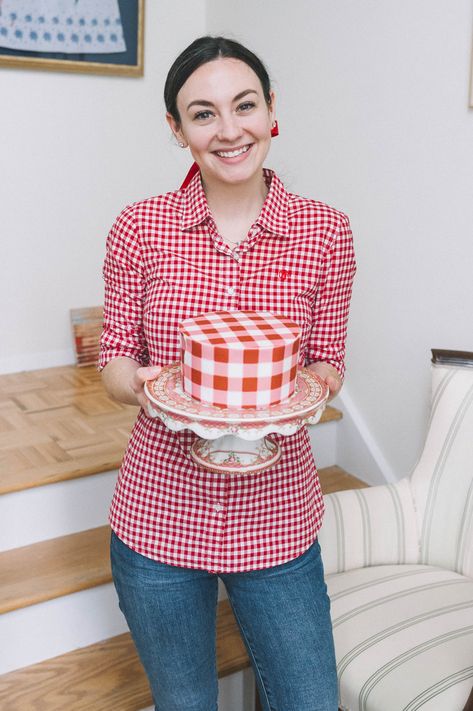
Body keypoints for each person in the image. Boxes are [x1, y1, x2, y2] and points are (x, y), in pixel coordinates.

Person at [99, 35, 356, 711]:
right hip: (158, 515)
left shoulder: (325, 231)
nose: (229, 128)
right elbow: (114, 360)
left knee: (308, 700)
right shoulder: (139, 227)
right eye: (203, 112)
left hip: (277, 519)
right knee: (183, 703)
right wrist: (156, 385)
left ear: (270, 110)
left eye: (244, 105)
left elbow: (327, 358)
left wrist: (308, 387)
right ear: (177, 129)